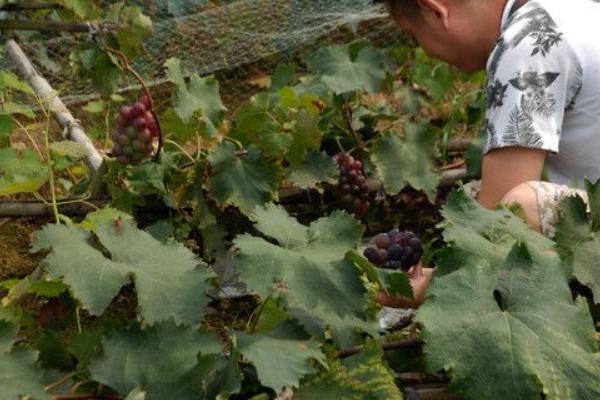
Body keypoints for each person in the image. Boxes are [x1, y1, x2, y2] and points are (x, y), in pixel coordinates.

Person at [375, 0, 600, 308]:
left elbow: (499, 228)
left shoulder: (526, 44)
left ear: (434, 9)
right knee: (479, 195)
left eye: (414, 37)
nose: (424, 52)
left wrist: (424, 292)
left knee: (522, 208)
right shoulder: (570, 7)